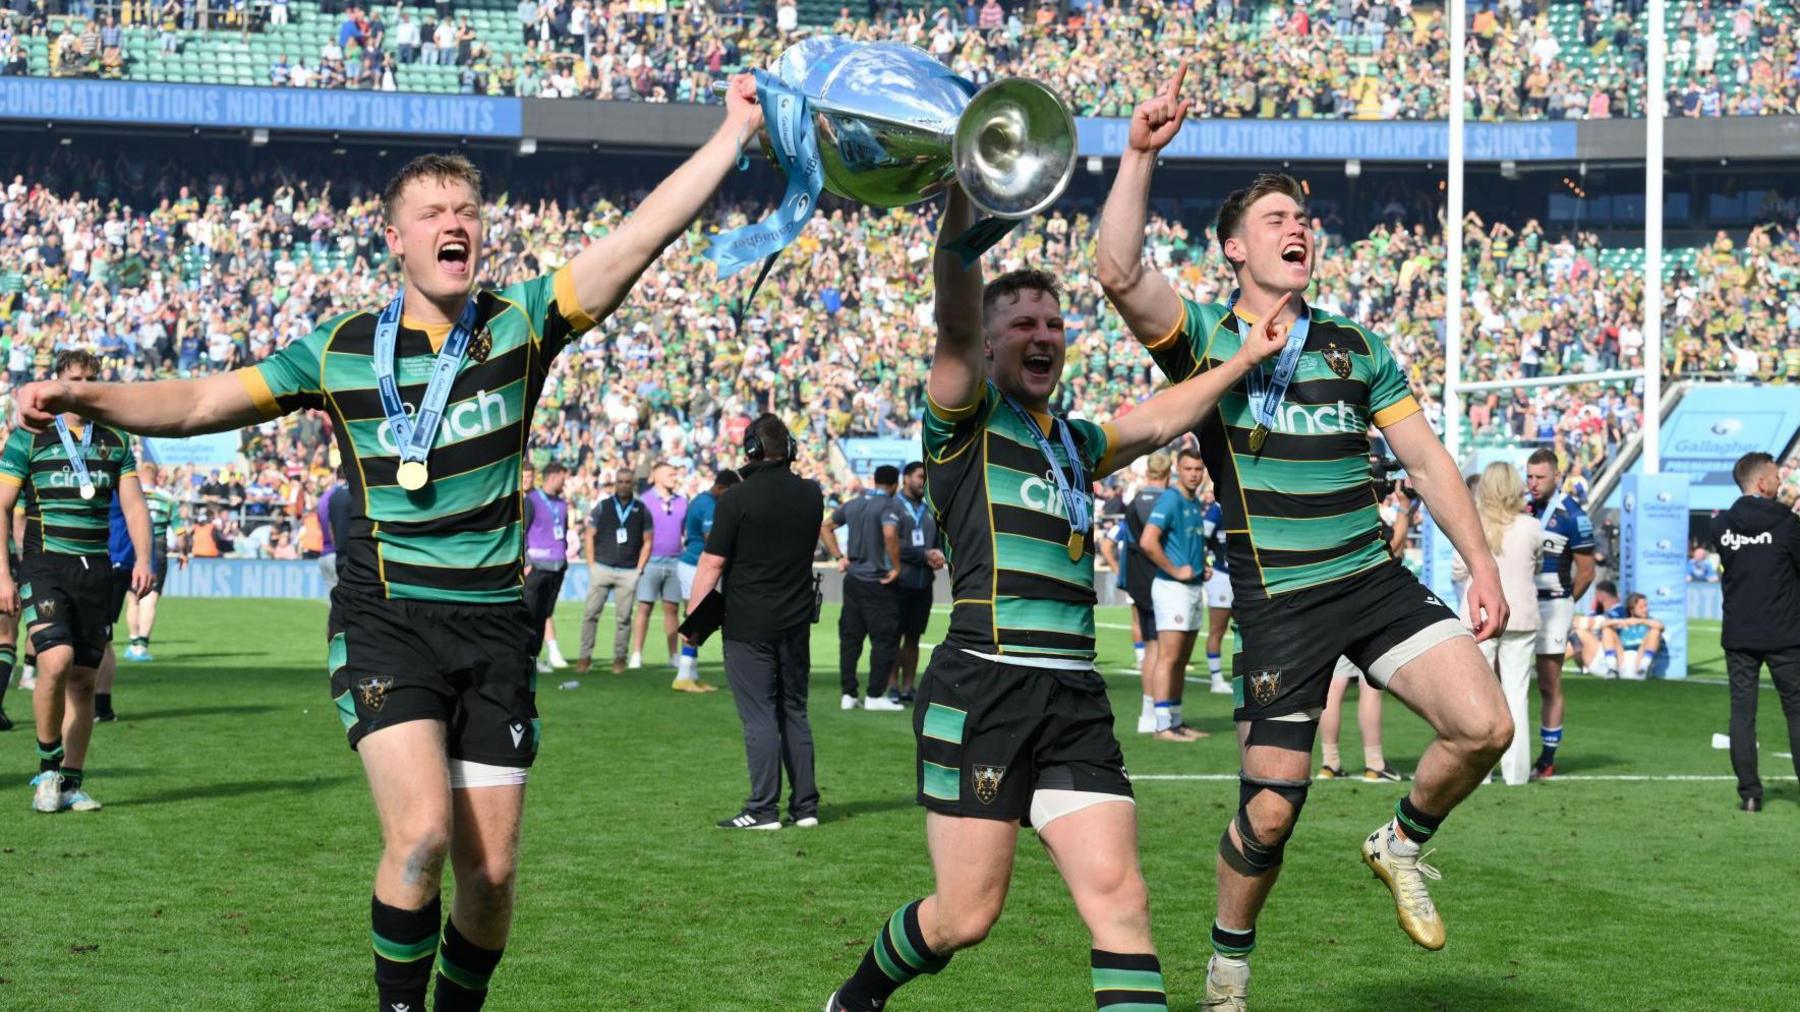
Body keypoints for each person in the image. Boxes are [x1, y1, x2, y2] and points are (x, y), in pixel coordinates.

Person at [10, 79, 767, 1010]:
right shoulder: (338, 351)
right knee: (419, 838)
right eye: (433, 212)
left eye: (468, 211)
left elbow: (637, 238)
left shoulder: (520, 323)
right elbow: (203, 401)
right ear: (395, 238)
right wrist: (87, 395)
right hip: (386, 622)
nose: (456, 223)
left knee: (489, 882)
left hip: (494, 633)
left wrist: (732, 132)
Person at [1098, 70, 1511, 1008]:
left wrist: (1480, 563)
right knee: (1272, 812)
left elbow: (1431, 464)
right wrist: (1137, 156)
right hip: (1278, 602)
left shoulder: (1357, 347)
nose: (1299, 229)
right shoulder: (1203, 336)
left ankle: (1399, 842)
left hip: (1370, 578)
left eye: (1306, 219)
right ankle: (1228, 969)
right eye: (1278, 218)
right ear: (1236, 247)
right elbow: (1118, 273)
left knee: (1486, 723)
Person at [823, 183, 1289, 1012]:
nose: (1044, 338)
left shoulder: (1071, 441)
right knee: (967, 916)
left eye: (1055, 325)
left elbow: (1151, 423)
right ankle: (856, 999)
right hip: (984, 685)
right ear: (994, 344)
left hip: (1073, 694)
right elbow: (956, 319)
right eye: (1024, 326)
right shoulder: (964, 419)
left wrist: (1243, 361)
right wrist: (965, 202)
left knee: (1123, 902)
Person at [0, 349, 153, 814]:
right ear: (58, 381)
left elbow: (133, 505)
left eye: (90, 379)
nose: (82, 386)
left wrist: (145, 557)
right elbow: (2, 507)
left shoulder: (115, 441)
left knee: (85, 680)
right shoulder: (29, 437)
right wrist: (3, 574)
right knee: (55, 660)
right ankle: (47, 770)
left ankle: (72, 782)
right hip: (45, 564)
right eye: (74, 378)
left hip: (96, 570)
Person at [683, 414, 823, 831]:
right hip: (796, 622)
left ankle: (763, 810)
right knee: (794, 711)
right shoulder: (812, 494)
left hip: (748, 624)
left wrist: (694, 621)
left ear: (750, 451)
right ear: (790, 450)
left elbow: (711, 562)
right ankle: (806, 808)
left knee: (760, 716)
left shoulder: (736, 500)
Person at [1711, 451, 1800, 813]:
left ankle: (1749, 793)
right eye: (1777, 477)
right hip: (1784, 631)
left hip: (1739, 632)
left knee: (1742, 714)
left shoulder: (1721, 526)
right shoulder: (1786, 524)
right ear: (1762, 482)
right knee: (1795, 711)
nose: (1782, 483)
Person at [1454, 463, 1542, 786]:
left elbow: (1458, 570)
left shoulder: (1474, 524)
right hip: (1519, 615)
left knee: (1480, 696)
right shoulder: (1531, 526)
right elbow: (1538, 562)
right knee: (1517, 694)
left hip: (1479, 615)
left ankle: (1480, 773)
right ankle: (1516, 774)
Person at [1524, 446, 1595, 782]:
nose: (1533, 483)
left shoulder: (1573, 516)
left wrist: (1565, 603)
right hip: (1521, 603)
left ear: (1556, 476)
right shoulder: (1521, 508)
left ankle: (1547, 758)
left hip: (1553, 605)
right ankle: (1512, 753)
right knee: (1507, 680)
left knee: (1549, 683)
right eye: (1529, 476)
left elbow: (1586, 572)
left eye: (1540, 477)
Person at [1138, 447, 1210, 742]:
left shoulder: (1193, 502)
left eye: (1198, 469)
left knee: (1180, 658)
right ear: (1178, 469)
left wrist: (1197, 568)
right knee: (1168, 657)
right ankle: (1162, 725)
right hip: (1172, 588)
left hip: (1191, 587)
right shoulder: (1170, 499)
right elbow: (1147, 541)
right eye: (1189, 468)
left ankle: (1176, 721)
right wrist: (1175, 569)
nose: (1194, 474)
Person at [822, 464, 904, 711]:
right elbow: (890, 534)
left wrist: (839, 557)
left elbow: (825, 526)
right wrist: (897, 567)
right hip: (878, 581)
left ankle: (848, 694)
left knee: (850, 639)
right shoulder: (889, 504)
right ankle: (875, 696)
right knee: (884, 640)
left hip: (853, 579)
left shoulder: (855, 503)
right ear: (894, 485)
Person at [579, 469, 652, 676]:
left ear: (633, 484)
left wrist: (639, 569)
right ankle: (585, 658)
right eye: (620, 481)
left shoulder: (641, 509)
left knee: (624, 619)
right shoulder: (603, 506)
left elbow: (648, 541)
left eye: (627, 482)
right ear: (615, 484)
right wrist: (591, 564)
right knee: (590, 615)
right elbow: (589, 535)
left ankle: (620, 659)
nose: (623, 485)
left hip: (628, 572)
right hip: (601, 567)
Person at [884, 461, 944, 705]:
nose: (923, 481)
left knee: (913, 637)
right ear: (906, 478)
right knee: (893, 636)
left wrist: (939, 553)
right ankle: (892, 686)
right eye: (920, 476)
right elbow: (891, 544)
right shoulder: (894, 506)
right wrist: (923, 555)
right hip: (900, 582)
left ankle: (909, 687)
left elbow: (939, 539)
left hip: (923, 584)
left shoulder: (930, 508)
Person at [675, 468, 739, 689]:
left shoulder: (703, 501)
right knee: (695, 621)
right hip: (695, 565)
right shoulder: (709, 505)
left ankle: (691, 674)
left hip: (695, 563)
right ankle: (683, 675)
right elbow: (712, 538)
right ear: (722, 488)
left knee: (699, 621)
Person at [1121, 452, 1170, 732]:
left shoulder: (1133, 503)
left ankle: (1148, 712)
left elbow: (1126, 543)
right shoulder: (1167, 502)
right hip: (1161, 580)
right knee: (1162, 649)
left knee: (1152, 647)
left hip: (1138, 581)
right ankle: (1162, 714)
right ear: (1169, 472)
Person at [124, 460, 185, 662]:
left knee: (132, 597)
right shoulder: (166, 500)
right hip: (157, 547)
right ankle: (141, 646)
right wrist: (184, 552)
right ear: (157, 477)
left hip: (132, 547)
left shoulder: (130, 498)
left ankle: (133, 643)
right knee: (150, 599)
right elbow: (180, 532)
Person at [631, 460, 687, 676]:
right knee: (644, 607)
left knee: (672, 609)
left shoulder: (682, 502)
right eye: (670, 474)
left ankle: (673, 655)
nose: (674, 477)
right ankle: (636, 654)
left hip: (675, 561)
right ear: (657, 476)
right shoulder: (643, 501)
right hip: (651, 561)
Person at [522, 460, 571, 675]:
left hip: (557, 567)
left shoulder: (562, 504)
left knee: (543, 615)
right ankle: (521, 659)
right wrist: (527, 562)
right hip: (537, 567)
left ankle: (533, 659)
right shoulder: (531, 501)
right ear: (555, 475)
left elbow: (564, 532)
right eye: (564, 477)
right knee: (529, 615)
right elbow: (521, 532)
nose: (565, 482)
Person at [1199, 477, 1235, 696]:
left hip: (1240, 577)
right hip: (1221, 576)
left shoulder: (1242, 506)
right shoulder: (1216, 511)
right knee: (1218, 629)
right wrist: (1203, 563)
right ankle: (1216, 679)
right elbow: (1200, 538)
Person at [1600, 593, 1664, 682]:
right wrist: (1623, 621)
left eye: (1646, 606)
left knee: (1654, 631)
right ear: (1632, 610)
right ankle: (1612, 669)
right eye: (1641, 607)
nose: (1646, 610)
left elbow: (1660, 626)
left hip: (1640, 657)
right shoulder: (1623, 621)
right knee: (1607, 631)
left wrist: (1640, 621)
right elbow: (1603, 625)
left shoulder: (1649, 621)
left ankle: (1643, 669)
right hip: (1622, 657)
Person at [1570, 579, 1623, 675]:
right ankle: (1583, 667)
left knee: (1578, 634)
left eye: (1596, 595)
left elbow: (1593, 623)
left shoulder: (1620, 610)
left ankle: (1542, 668)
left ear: (1601, 595)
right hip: (1596, 652)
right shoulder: (1600, 611)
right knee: (1575, 634)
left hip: (1610, 652)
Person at [318, 468, 349, 590]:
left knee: (335, 603)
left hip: (325, 553)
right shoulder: (343, 494)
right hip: (338, 553)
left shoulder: (326, 495)